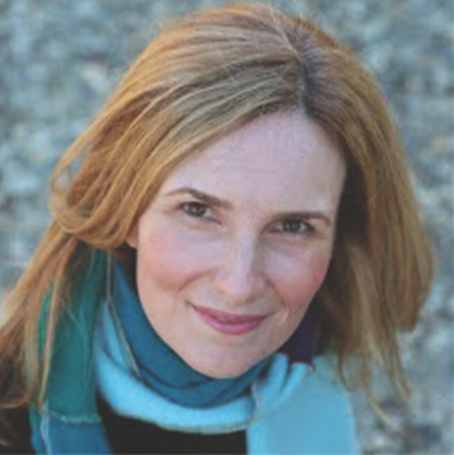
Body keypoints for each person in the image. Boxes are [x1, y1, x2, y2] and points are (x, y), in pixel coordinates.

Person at [0, 2, 433, 454]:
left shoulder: (321, 364)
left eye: (293, 226)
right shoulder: (13, 420)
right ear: (126, 209)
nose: (238, 285)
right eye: (198, 211)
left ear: (339, 237)